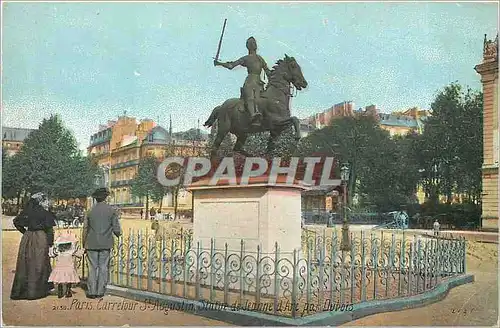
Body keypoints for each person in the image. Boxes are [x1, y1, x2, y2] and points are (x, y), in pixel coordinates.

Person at [214, 36, 271, 127]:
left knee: (257, 99)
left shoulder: (252, 58)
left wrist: (219, 63)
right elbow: (268, 72)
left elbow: (231, 66)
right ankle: (253, 116)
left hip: (256, 83)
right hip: (254, 83)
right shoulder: (256, 58)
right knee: (251, 98)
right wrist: (220, 63)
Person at [10, 192, 56, 300]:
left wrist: (25, 232)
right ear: (40, 201)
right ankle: (36, 291)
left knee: (25, 263)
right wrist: (50, 244)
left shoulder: (27, 211)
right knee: (39, 263)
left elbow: (16, 221)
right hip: (40, 237)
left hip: (27, 237)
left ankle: (22, 291)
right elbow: (49, 230)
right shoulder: (44, 212)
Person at [82, 188, 121, 299]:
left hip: (91, 243)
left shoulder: (89, 211)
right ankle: (100, 291)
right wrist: (118, 234)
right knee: (103, 267)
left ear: (96, 198)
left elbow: (85, 229)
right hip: (105, 242)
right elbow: (116, 228)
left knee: (92, 267)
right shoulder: (111, 210)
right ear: (106, 197)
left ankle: (91, 292)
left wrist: (84, 243)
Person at [48, 231, 84, 298]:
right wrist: (83, 250)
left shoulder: (58, 250)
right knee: (69, 280)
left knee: (59, 280)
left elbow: (51, 254)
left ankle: (60, 290)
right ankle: (68, 291)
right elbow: (79, 254)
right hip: (69, 268)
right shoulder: (72, 250)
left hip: (59, 268)